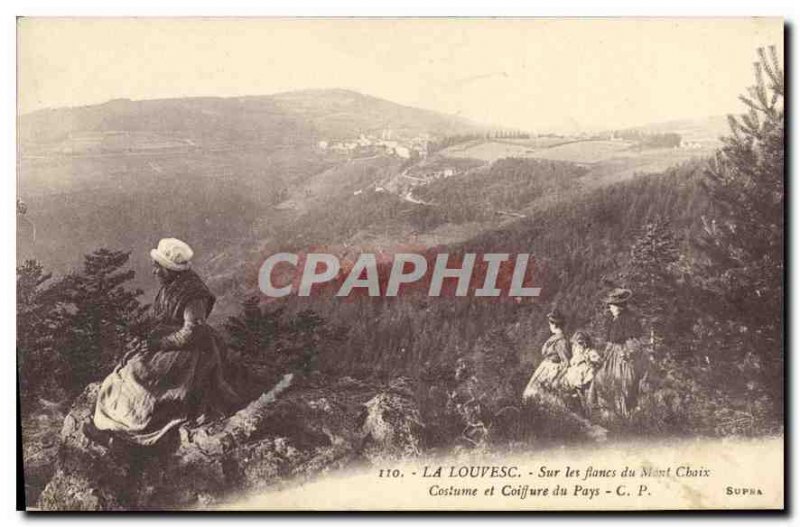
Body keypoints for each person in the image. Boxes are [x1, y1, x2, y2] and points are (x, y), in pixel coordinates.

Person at [87, 238, 242, 447]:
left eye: (158, 267)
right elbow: (160, 316)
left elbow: (191, 333)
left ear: (170, 270)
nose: (154, 271)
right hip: (168, 342)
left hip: (189, 351)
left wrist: (157, 344)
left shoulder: (194, 294)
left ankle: (129, 434)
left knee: (141, 377)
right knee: (126, 370)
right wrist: (138, 330)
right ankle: (113, 427)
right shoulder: (171, 286)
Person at [589, 288, 645, 419]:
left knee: (622, 382)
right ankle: (607, 413)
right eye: (610, 304)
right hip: (612, 354)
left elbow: (635, 341)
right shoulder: (613, 319)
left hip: (623, 355)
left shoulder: (630, 319)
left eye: (612, 304)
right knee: (601, 378)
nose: (610, 307)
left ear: (621, 306)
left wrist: (627, 353)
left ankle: (623, 415)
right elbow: (610, 340)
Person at [522, 309, 571, 401]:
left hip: (553, 370)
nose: (549, 326)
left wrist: (558, 377)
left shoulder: (561, 341)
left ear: (554, 324)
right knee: (532, 394)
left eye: (550, 324)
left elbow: (567, 362)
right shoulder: (554, 338)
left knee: (539, 395)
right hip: (546, 368)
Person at [562, 330, 603, 413]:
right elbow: (573, 361)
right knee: (577, 393)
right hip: (576, 374)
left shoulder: (590, 351)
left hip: (586, 373)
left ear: (586, 343)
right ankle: (580, 408)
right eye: (577, 344)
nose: (579, 346)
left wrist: (589, 360)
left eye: (581, 343)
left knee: (588, 394)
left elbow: (599, 360)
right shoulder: (576, 351)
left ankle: (589, 409)